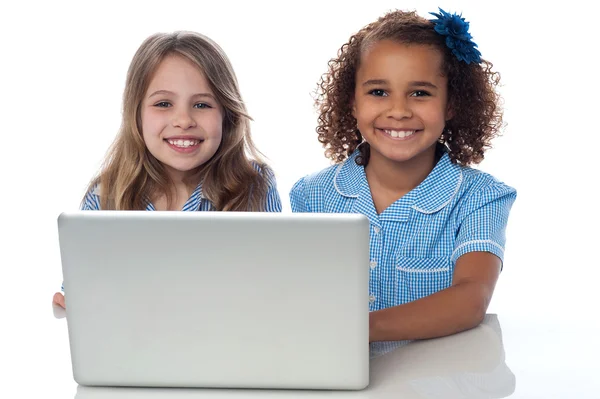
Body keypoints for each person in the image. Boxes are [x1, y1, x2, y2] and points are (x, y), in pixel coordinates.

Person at [290, 8, 516, 342]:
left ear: (451, 104)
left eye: (420, 93)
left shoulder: (480, 197)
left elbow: (471, 299)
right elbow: (297, 296)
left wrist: (358, 328)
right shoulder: (312, 194)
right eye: (378, 92)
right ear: (352, 102)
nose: (398, 111)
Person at [53, 31, 282, 309]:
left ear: (226, 114)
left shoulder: (254, 186)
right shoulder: (105, 197)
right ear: (136, 114)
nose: (183, 120)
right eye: (163, 104)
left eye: (202, 104)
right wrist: (70, 300)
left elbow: (275, 286)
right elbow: (81, 290)